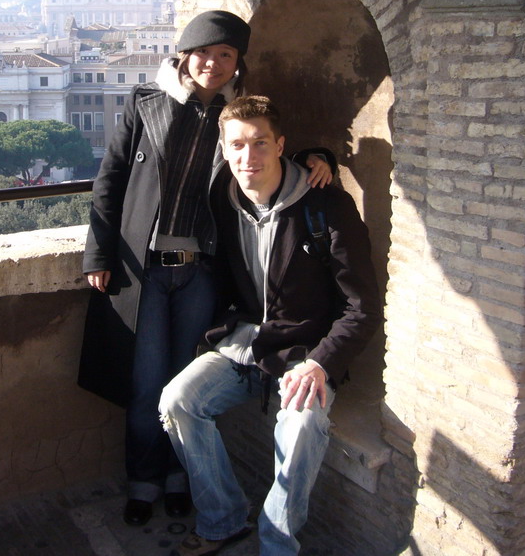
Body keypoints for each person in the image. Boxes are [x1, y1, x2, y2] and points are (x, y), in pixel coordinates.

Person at [79, 12, 333, 528]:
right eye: (203, 53)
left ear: (238, 63)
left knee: (183, 382)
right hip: (146, 269)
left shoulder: (232, 113)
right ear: (183, 55)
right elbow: (110, 179)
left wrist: (320, 154)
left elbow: (265, 147)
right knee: (148, 383)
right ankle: (143, 481)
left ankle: (180, 482)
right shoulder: (143, 103)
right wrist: (98, 253)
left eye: (226, 56)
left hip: (201, 272)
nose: (213, 64)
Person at [159, 96, 380, 556]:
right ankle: (222, 520)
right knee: (178, 401)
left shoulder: (327, 210)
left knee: (301, 425)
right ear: (224, 150)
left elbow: (361, 308)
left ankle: (277, 545)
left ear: (280, 145)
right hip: (243, 345)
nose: (248, 156)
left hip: (303, 353)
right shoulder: (223, 198)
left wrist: (320, 364)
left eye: (260, 142)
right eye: (236, 145)